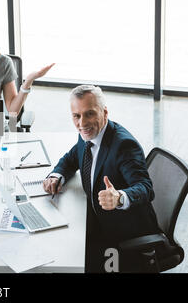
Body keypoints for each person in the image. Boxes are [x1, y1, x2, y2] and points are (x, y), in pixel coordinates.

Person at [43, 84, 160, 273]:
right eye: (76, 116)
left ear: (104, 112)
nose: (82, 123)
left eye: (90, 114)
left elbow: (145, 188)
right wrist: (56, 175)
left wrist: (119, 197)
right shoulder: (87, 133)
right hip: (97, 220)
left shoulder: (124, 145)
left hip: (123, 235)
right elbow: (72, 157)